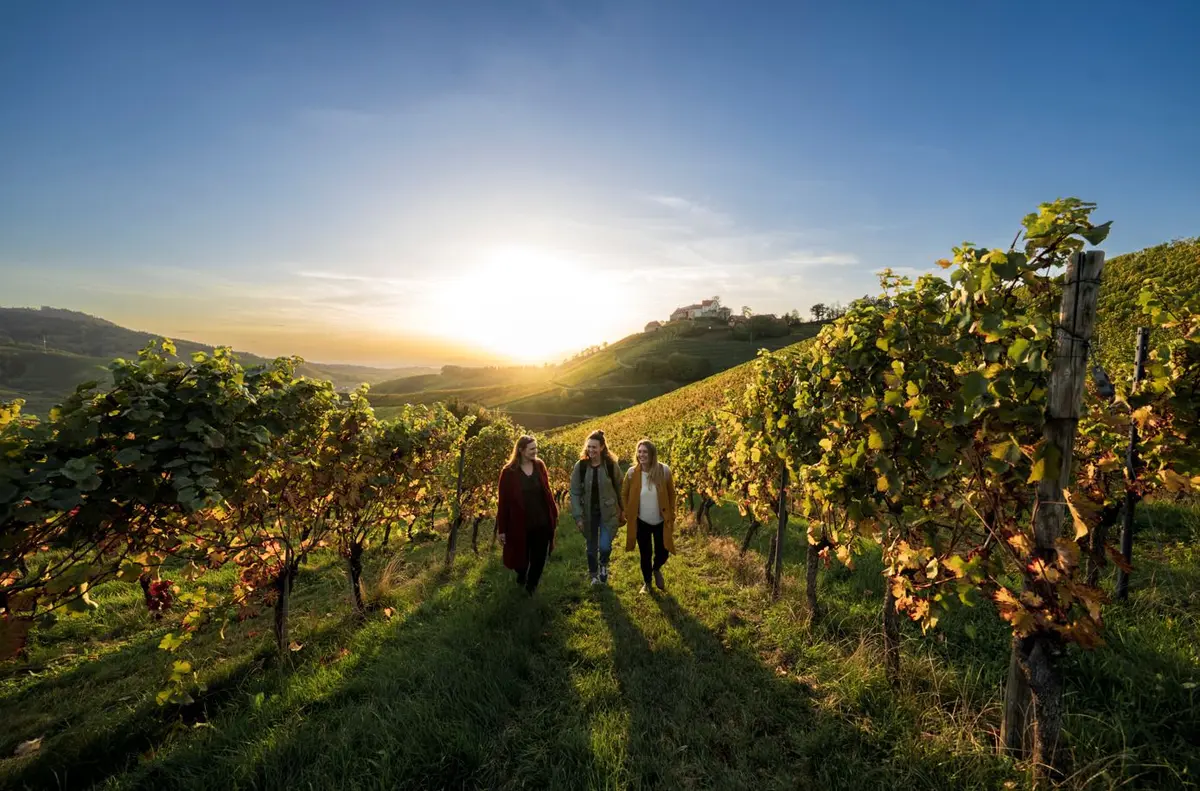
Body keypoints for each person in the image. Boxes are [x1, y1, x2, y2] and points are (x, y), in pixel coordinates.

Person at [496, 435, 558, 595]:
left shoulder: (539, 466)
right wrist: (502, 529)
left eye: (536, 448)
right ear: (521, 450)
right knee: (520, 560)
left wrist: (554, 512)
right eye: (532, 449)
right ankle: (521, 575)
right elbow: (503, 502)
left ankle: (531, 587)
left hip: (542, 520)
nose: (535, 452)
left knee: (539, 557)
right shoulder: (509, 472)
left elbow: (547, 491)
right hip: (519, 524)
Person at [621, 438, 676, 593]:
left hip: (660, 521)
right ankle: (647, 583)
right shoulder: (632, 473)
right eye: (639, 451)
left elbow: (672, 494)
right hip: (641, 521)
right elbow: (624, 494)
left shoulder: (664, 470)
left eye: (645, 452)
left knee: (663, 551)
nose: (641, 455)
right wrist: (628, 511)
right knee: (645, 554)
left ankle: (656, 568)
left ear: (652, 454)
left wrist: (672, 513)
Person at [570, 429, 624, 586]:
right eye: (589, 447)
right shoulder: (580, 466)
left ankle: (604, 566)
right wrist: (578, 516)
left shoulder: (610, 465)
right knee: (591, 547)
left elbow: (620, 488)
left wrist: (624, 509)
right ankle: (594, 575)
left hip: (608, 512)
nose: (591, 450)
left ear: (602, 447)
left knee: (605, 546)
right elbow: (574, 492)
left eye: (594, 447)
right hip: (588, 513)